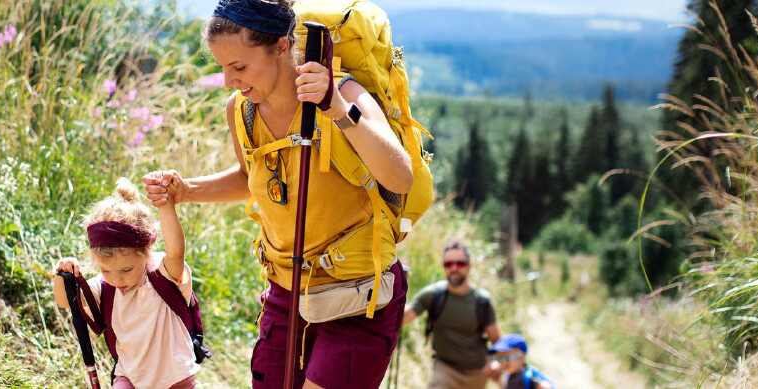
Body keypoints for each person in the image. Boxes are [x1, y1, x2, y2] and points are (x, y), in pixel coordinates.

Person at [141, 0, 415, 386]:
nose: (229, 80)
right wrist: (187, 190)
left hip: (356, 295)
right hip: (286, 295)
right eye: (222, 68)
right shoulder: (241, 110)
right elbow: (248, 176)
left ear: (281, 47)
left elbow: (400, 177)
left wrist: (336, 106)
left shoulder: (345, 92)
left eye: (239, 67)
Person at [52, 178, 198, 389]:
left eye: (126, 270)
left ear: (146, 251)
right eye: (106, 270)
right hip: (130, 378)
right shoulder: (106, 287)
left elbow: (176, 252)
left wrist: (165, 205)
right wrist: (62, 275)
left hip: (176, 379)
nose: (116, 279)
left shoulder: (163, 275)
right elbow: (66, 300)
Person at [403, 241, 502, 389]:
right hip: (445, 369)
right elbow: (402, 317)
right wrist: (396, 287)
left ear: (469, 266)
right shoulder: (433, 295)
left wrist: (496, 362)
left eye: (460, 264)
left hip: (477, 374)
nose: (454, 268)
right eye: (448, 264)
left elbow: (498, 342)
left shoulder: (482, 301)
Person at [488, 334, 554, 389]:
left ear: (521, 357)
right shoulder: (508, 376)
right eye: (500, 358)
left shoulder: (529, 377)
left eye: (507, 357)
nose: (504, 362)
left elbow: (545, 386)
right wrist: (498, 381)